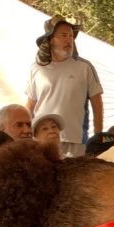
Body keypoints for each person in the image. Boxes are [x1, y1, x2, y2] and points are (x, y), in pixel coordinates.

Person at [25, 15, 103, 156]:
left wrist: (98, 139)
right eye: (63, 35)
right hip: (44, 141)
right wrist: (26, 138)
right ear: (50, 39)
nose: (69, 40)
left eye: (71, 35)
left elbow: (97, 105)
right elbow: (30, 106)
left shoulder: (84, 67)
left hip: (76, 140)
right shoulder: (36, 68)